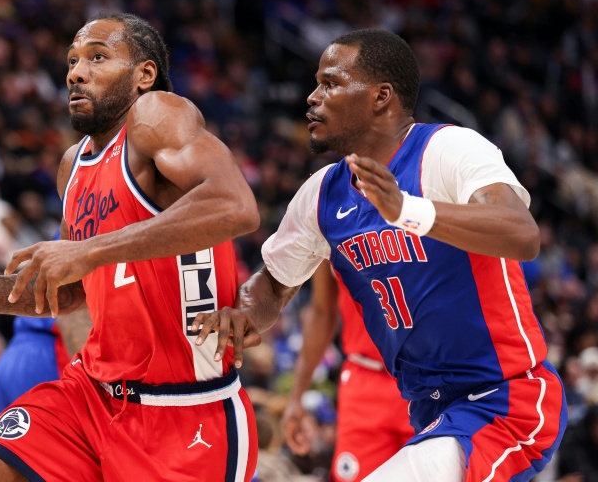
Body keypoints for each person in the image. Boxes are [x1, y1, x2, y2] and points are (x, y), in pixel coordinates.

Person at [198, 29, 567, 481]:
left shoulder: (448, 149)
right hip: (427, 408)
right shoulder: (319, 196)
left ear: (381, 97)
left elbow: (521, 233)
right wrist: (247, 314)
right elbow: (274, 283)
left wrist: (407, 210)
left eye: (330, 83)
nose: (312, 97)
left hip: (505, 400)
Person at [0, 12, 265, 482]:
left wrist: (88, 250)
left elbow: (237, 206)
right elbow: (71, 292)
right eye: (73, 60)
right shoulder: (72, 165)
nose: (76, 72)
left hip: (184, 412)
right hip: (91, 394)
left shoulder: (158, 115)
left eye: (98, 57)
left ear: (145, 74)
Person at [282, 259, 412, 481]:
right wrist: (296, 397)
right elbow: (322, 312)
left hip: (429, 376)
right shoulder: (327, 225)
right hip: (364, 376)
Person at [0, 230, 91, 414]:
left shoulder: (70, 221)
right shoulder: (89, 226)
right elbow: (73, 319)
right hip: (48, 358)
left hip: (14, 358)